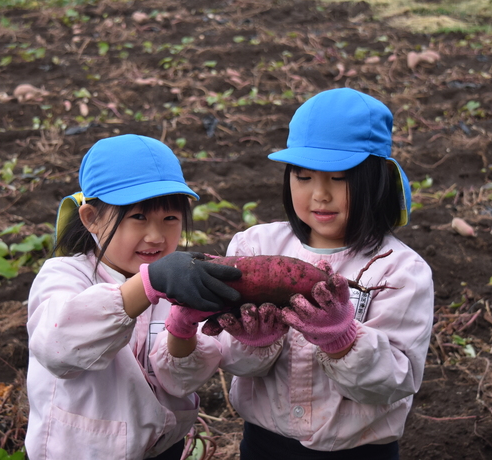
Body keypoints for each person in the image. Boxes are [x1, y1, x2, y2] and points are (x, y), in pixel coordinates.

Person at [211, 88, 435, 459]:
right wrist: (255, 343)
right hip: (264, 444)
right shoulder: (253, 247)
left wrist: (343, 339)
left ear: (375, 179)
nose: (319, 195)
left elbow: (396, 382)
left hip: (359, 451)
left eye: (339, 178)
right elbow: (231, 360)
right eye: (303, 176)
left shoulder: (399, 269)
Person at [24, 134, 243, 460]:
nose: (156, 236)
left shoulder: (180, 283)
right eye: (138, 217)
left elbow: (183, 381)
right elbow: (58, 348)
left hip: (162, 450)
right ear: (91, 219)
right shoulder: (65, 276)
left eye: (170, 219)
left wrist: (183, 328)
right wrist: (147, 284)